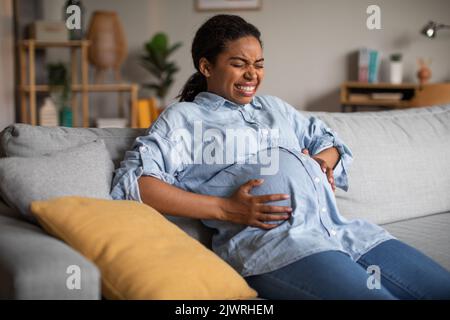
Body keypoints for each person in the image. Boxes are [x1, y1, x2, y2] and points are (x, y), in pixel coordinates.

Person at [111, 14, 450, 299]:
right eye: (238, 64)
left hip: (344, 232)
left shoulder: (274, 108)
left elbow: (328, 141)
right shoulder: (184, 119)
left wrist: (321, 163)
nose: (252, 74)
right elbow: (138, 185)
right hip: (275, 247)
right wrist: (226, 208)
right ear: (206, 66)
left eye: (258, 64)